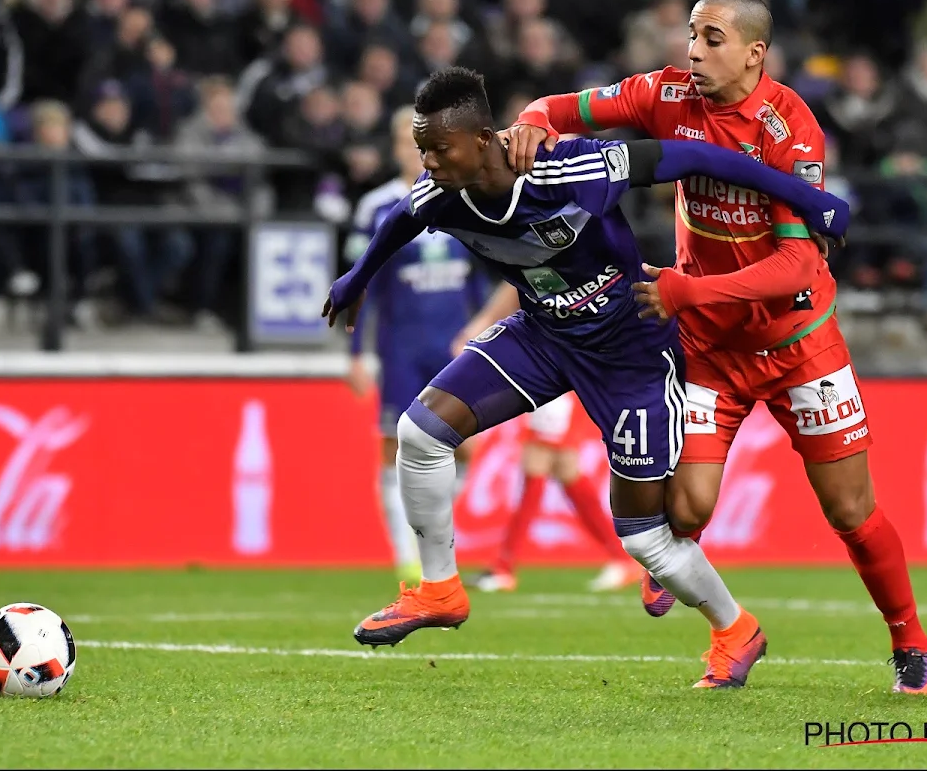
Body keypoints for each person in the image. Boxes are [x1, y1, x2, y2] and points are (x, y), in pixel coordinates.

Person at [323, 66, 848, 688]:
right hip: (543, 336)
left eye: (440, 148)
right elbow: (396, 223)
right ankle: (439, 591)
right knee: (421, 431)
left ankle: (734, 628)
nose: (429, 163)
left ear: (485, 138)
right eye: (422, 150)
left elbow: (695, 157)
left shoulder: (569, 168)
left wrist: (812, 199)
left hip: (630, 352)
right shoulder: (438, 193)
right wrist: (356, 279)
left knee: (644, 538)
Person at [507, 0, 927, 694]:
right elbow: (564, 109)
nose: (693, 51)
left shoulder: (790, 127)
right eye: (690, 36)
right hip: (712, 350)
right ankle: (727, 634)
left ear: (754, 52)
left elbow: (800, 264)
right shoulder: (668, 94)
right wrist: (530, 120)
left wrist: (688, 291)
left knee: (851, 514)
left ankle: (911, 641)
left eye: (711, 39)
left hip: (799, 343)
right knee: (683, 512)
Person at [347, 105, 494, 585]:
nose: (419, 154)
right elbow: (362, 284)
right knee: (392, 448)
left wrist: (481, 327)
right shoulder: (376, 206)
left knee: (464, 448)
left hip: (452, 346)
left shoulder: (466, 195)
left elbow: (479, 274)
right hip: (401, 347)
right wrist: (358, 354)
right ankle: (405, 556)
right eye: (410, 144)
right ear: (395, 148)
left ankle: (433, 541)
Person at [452, 282, 645, 593]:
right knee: (559, 466)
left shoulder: (552, 255)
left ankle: (505, 567)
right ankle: (620, 558)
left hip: (560, 369)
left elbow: (514, 288)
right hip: (564, 365)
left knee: (541, 460)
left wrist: (476, 329)